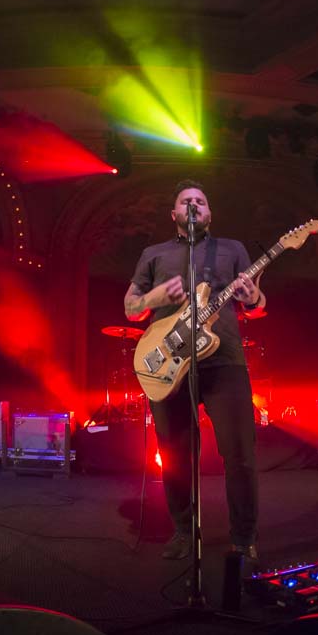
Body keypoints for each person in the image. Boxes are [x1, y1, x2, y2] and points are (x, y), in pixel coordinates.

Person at [124, 179, 265, 560]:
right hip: (170, 365)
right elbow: (131, 307)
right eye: (185, 201)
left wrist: (253, 297)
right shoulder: (153, 254)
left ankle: (243, 538)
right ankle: (185, 531)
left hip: (225, 361)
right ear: (174, 214)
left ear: (209, 213)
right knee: (175, 453)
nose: (193, 205)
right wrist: (156, 296)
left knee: (239, 454)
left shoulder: (232, 249)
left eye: (200, 201)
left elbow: (258, 302)